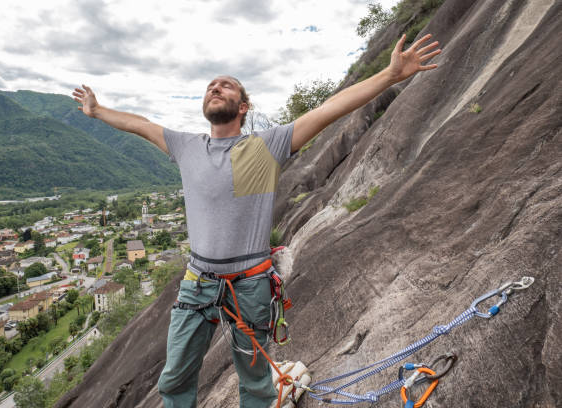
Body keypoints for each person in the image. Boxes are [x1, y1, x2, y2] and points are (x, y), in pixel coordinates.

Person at [73, 33, 441, 408]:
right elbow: (141, 123)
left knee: (255, 382)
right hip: (197, 281)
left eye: (226, 85)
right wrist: (96, 110)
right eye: (211, 85)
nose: (216, 87)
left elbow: (330, 109)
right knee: (175, 377)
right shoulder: (187, 147)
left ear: (243, 106)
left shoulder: (267, 146)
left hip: (250, 284)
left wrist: (390, 75)